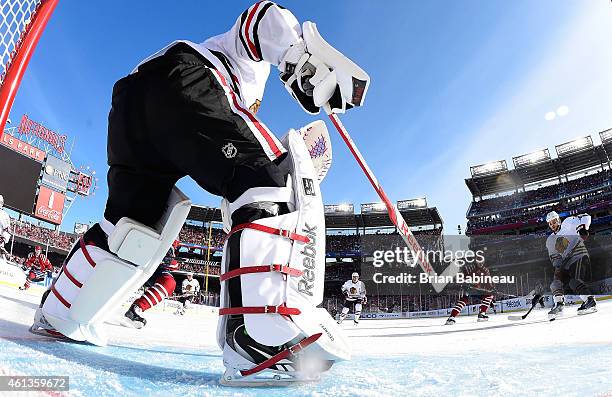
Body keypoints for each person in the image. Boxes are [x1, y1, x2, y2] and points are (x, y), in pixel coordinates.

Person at [31, 1, 367, 384]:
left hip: (131, 104)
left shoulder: (235, 96)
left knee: (130, 227)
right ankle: (263, 345)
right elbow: (260, 17)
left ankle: (61, 314)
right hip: (185, 77)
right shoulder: (244, 61)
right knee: (272, 181)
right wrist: (304, 58)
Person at [545, 211, 596, 319]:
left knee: (574, 280)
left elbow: (586, 216)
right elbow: (555, 258)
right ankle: (559, 305)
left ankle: (590, 301)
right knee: (555, 283)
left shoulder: (568, 223)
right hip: (567, 262)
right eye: (550, 223)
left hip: (579, 255)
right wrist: (558, 267)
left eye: (554, 221)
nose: (553, 224)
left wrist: (583, 228)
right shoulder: (550, 240)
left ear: (558, 220)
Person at [122, 241, 180, 328]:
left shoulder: (174, 242)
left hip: (153, 269)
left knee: (169, 283)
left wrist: (169, 261)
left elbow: (174, 266)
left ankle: (135, 310)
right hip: (133, 254)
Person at [445, 258, 495, 325]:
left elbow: (488, 282)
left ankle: (482, 314)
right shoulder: (469, 268)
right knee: (463, 301)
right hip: (468, 288)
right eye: (478, 261)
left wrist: (491, 289)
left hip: (477, 290)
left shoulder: (485, 270)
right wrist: (465, 283)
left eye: (482, 261)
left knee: (489, 295)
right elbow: (460, 278)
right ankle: (451, 317)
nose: (480, 263)